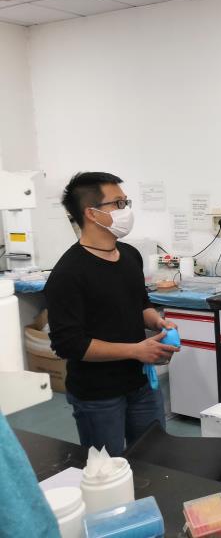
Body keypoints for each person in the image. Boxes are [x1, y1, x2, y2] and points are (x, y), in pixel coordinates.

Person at [45, 172, 180, 457]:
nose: (125, 210)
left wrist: (156, 321)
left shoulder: (129, 255)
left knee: (156, 461)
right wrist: (136, 350)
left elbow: (140, 304)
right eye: (118, 203)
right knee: (107, 469)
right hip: (98, 395)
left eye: (126, 202)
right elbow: (69, 345)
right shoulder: (68, 274)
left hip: (141, 382)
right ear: (91, 213)